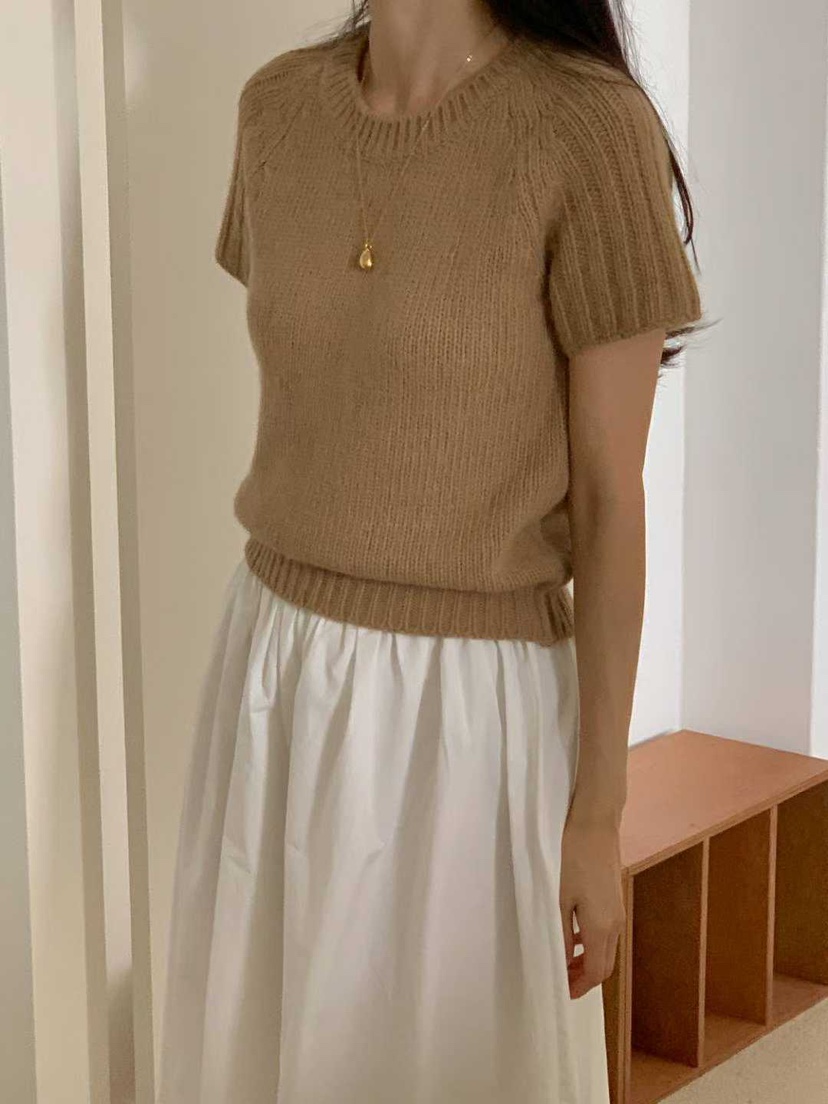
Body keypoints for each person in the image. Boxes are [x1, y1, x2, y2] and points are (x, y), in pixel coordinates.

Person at [156, 1, 704, 1101]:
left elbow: (611, 504)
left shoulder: (587, 128)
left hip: (468, 710)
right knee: (263, 1057)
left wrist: (598, 813)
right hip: (275, 673)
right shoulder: (276, 111)